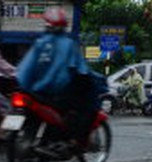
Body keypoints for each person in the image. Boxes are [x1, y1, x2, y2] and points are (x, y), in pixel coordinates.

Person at [15, 6, 98, 139]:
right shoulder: (69, 44)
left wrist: (24, 88)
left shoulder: (39, 43)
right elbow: (82, 71)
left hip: (36, 93)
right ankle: (72, 140)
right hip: (57, 95)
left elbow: (24, 71)